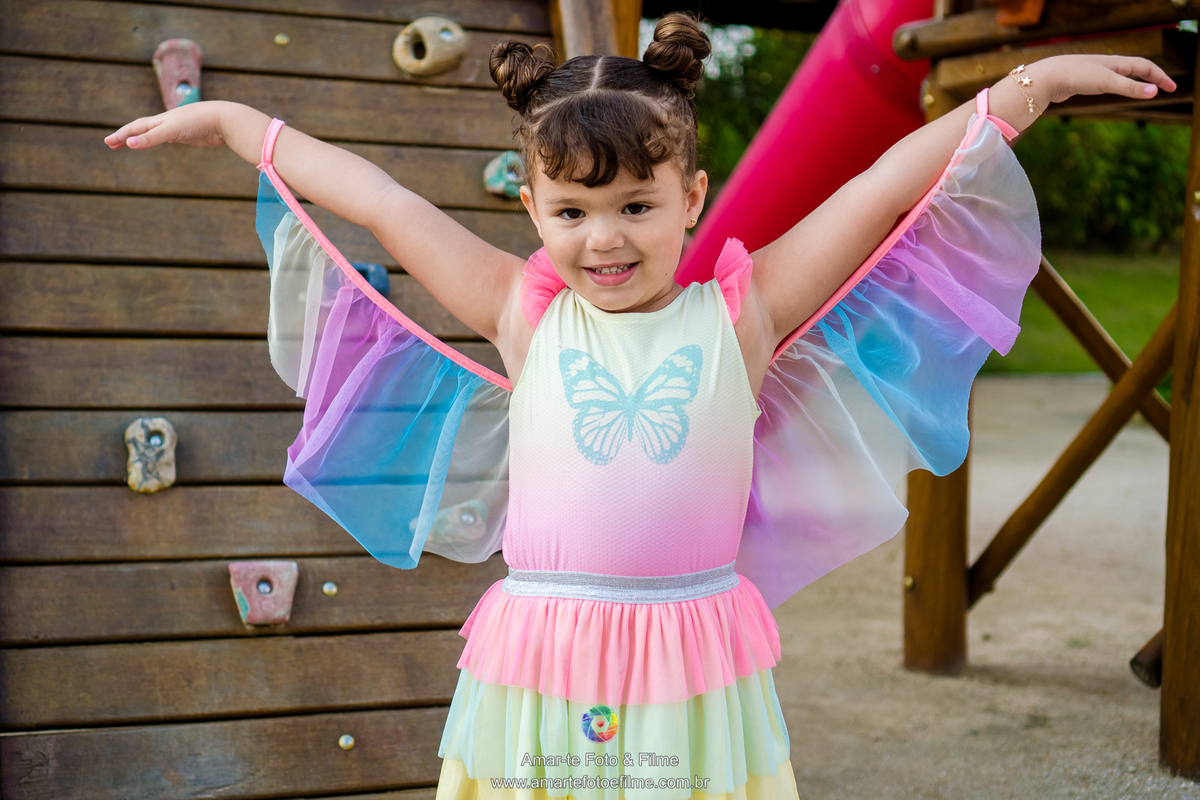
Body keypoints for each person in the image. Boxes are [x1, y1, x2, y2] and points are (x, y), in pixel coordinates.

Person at [106, 13, 1174, 798]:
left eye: (634, 205)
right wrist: (248, 128)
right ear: (530, 206)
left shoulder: (741, 317)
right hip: (544, 651)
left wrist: (1026, 87)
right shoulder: (520, 312)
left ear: (690, 199)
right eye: (570, 209)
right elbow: (384, 203)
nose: (603, 236)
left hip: (690, 645)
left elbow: (882, 189)